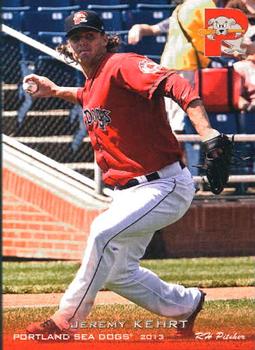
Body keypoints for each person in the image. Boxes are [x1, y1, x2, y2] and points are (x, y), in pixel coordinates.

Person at [24, 10, 223, 338]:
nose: (83, 41)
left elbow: (173, 82)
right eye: (76, 37)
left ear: (105, 39)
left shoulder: (120, 64)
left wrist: (208, 133)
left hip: (163, 185)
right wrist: (56, 90)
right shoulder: (95, 80)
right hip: (131, 193)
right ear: (69, 46)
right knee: (118, 273)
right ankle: (187, 305)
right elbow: (89, 98)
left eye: (89, 35)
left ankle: (64, 322)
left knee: (102, 232)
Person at [128, 0, 217, 134]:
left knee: (174, 118)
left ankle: (180, 153)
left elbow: (154, 29)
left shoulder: (181, 8)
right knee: (177, 122)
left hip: (169, 65)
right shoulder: (205, 4)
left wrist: (138, 27)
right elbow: (223, 38)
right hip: (186, 66)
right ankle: (178, 153)